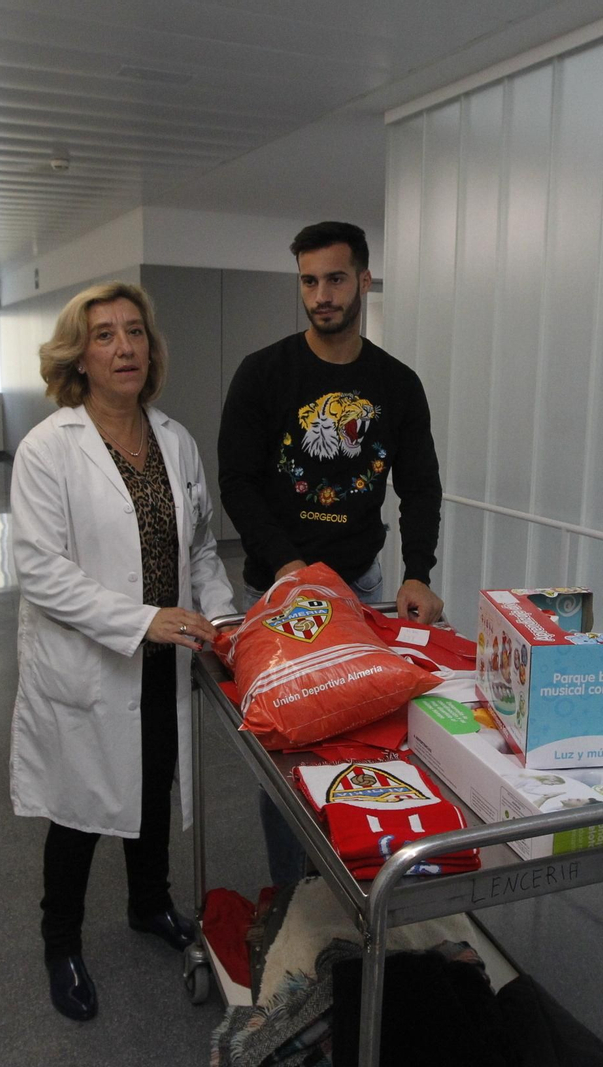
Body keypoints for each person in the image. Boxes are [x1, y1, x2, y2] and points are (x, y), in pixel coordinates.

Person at [9, 281, 236, 1022]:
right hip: (91, 661)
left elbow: (198, 544)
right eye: (104, 334)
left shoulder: (174, 438)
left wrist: (223, 620)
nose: (124, 346)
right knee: (79, 808)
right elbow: (42, 571)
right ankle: (60, 941)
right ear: (79, 355)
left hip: (163, 656)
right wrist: (143, 621)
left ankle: (149, 905)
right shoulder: (50, 448)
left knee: (153, 780)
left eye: (134, 331)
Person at [218, 221, 444, 884]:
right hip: (279, 592)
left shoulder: (397, 384)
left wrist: (419, 570)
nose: (322, 294)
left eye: (336, 278)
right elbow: (238, 478)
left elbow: (421, 483)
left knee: (361, 740)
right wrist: (289, 566)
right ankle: (297, 899)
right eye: (309, 280)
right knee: (289, 755)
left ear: (364, 280)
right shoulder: (263, 373)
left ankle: (354, 882)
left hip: (363, 584)